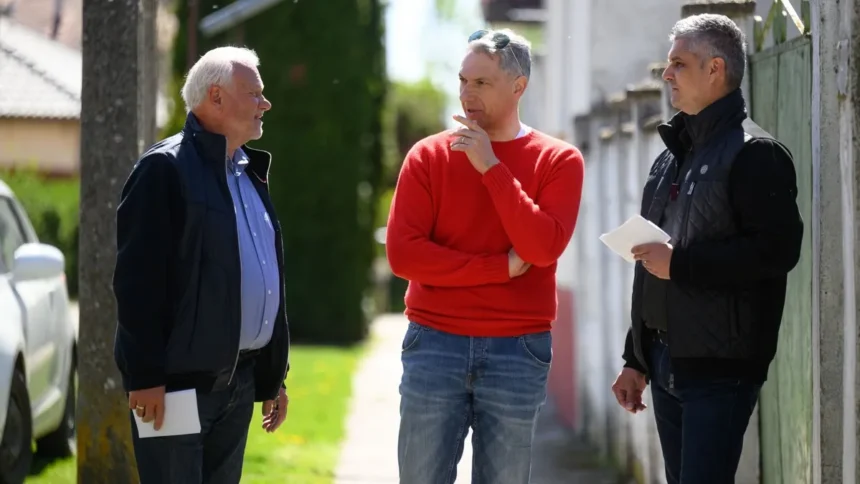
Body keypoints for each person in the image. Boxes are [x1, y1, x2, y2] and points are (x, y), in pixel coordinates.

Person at [385, 28, 585, 484]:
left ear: (518, 86)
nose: (466, 93)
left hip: (518, 349)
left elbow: (541, 248)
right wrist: (499, 268)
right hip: (434, 342)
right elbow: (404, 256)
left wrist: (491, 168)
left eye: (481, 82)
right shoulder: (427, 156)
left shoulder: (559, 160)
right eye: (463, 80)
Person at [611, 14, 804, 484]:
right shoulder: (670, 157)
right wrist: (636, 358)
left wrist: (680, 265)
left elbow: (776, 251)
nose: (667, 74)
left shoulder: (756, 153)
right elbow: (650, 262)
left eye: (678, 63)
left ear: (715, 69)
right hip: (663, 359)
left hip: (720, 370)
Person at [112, 46, 290, 484]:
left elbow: (264, 277)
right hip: (174, 389)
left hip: (239, 384)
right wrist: (145, 376)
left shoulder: (248, 172)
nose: (266, 104)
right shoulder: (163, 169)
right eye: (255, 94)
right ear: (216, 97)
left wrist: (273, 378)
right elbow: (137, 284)